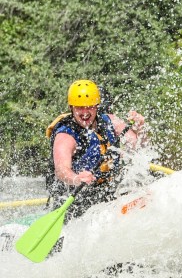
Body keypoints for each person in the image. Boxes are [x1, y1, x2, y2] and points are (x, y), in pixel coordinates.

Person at [46, 79, 146, 221]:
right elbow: (61, 170)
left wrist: (140, 127)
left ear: (97, 106)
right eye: (79, 107)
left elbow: (139, 147)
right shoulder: (66, 135)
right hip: (76, 199)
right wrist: (76, 178)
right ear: (71, 107)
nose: (85, 112)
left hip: (107, 191)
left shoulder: (110, 121)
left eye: (90, 107)